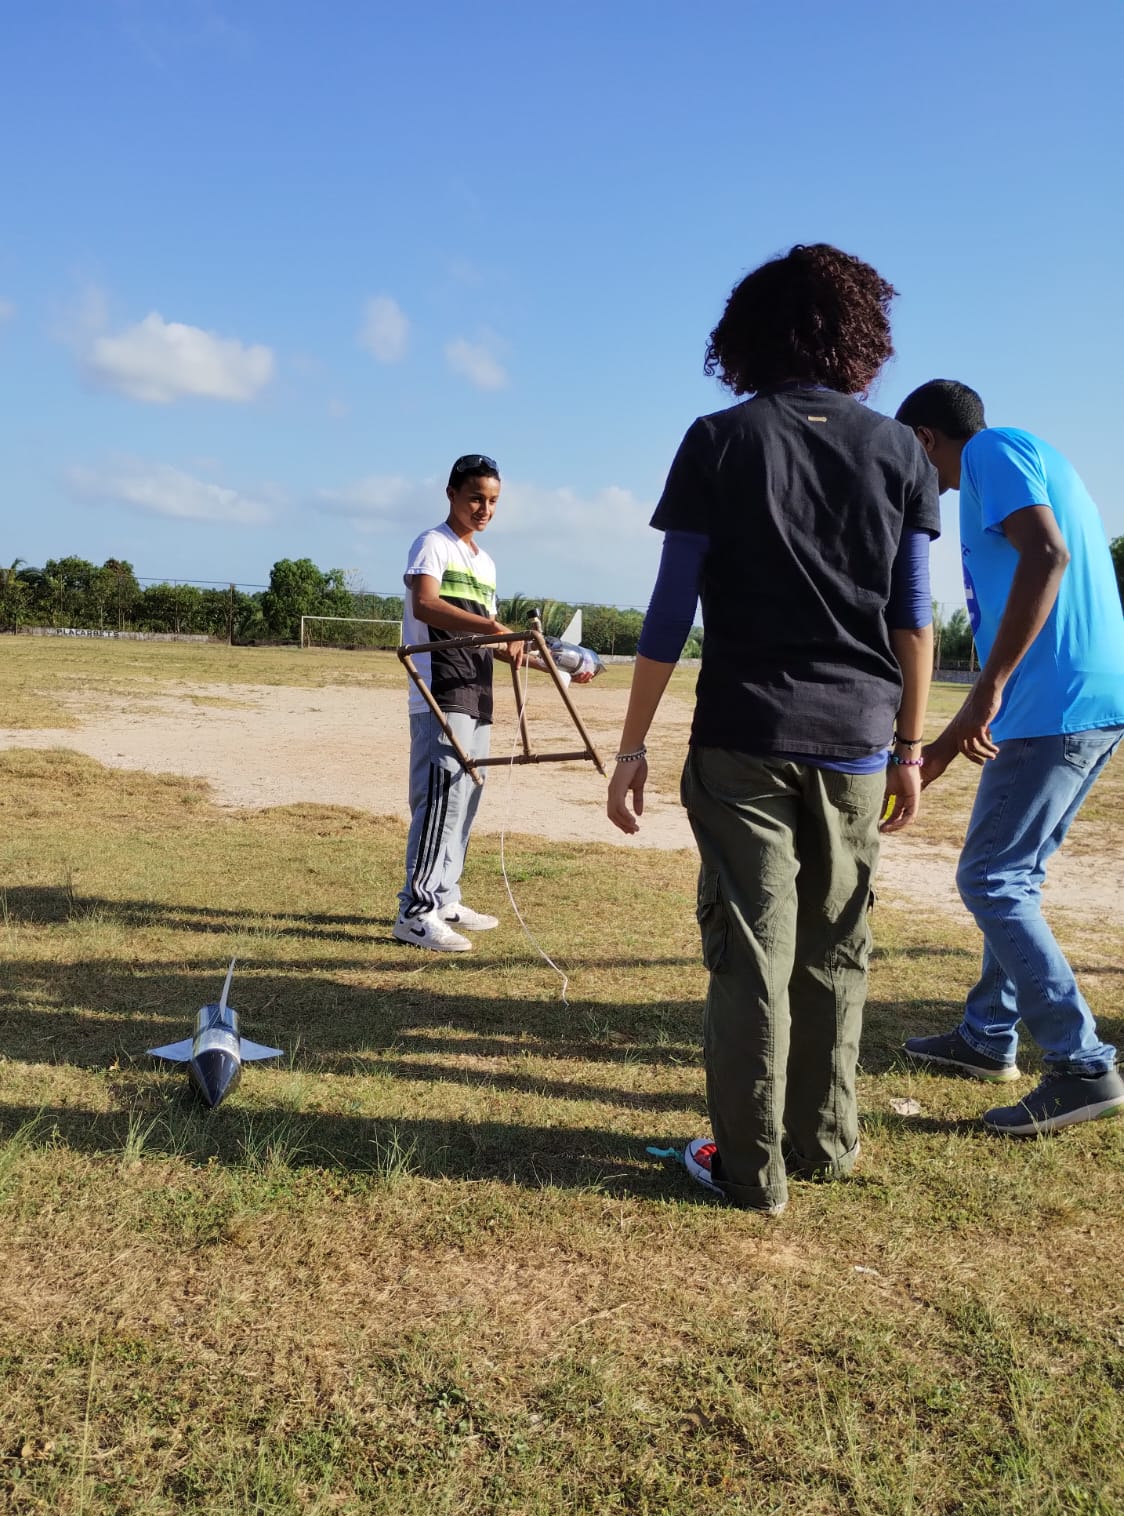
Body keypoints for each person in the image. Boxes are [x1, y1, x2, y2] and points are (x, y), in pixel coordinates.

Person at [606, 243, 938, 1215]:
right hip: (859, 741)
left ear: (746, 335)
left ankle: (750, 1170)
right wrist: (911, 748)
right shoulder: (902, 452)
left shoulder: (718, 439)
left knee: (752, 956)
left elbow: (669, 610)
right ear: (862, 335)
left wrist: (630, 746)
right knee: (836, 951)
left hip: (743, 736)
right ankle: (822, 1144)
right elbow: (914, 617)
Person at [895, 380, 1124, 1134]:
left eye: (905, 454)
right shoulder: (1029, 455)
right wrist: (935, 750)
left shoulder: (993, 451)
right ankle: (987, 1034)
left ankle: (1081, 1066)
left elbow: (1048, 554)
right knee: (1013, 874)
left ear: (924, 439)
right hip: (1071, 698)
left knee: (990, 879)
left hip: (1052, 700)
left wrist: (988, 687)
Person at [394, 453, 525, 953]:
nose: (484, 509)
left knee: (465, 799)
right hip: (439, 690)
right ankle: (415, 912)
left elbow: (491, 640)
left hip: (477, 690)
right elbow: (426, 603)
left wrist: (546, 661)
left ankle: (445, 897)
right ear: (451, 494)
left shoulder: (485, 563)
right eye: (475, 498)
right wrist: (493, 626)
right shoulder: (433, 544)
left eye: (492, 501)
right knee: (439, 800)